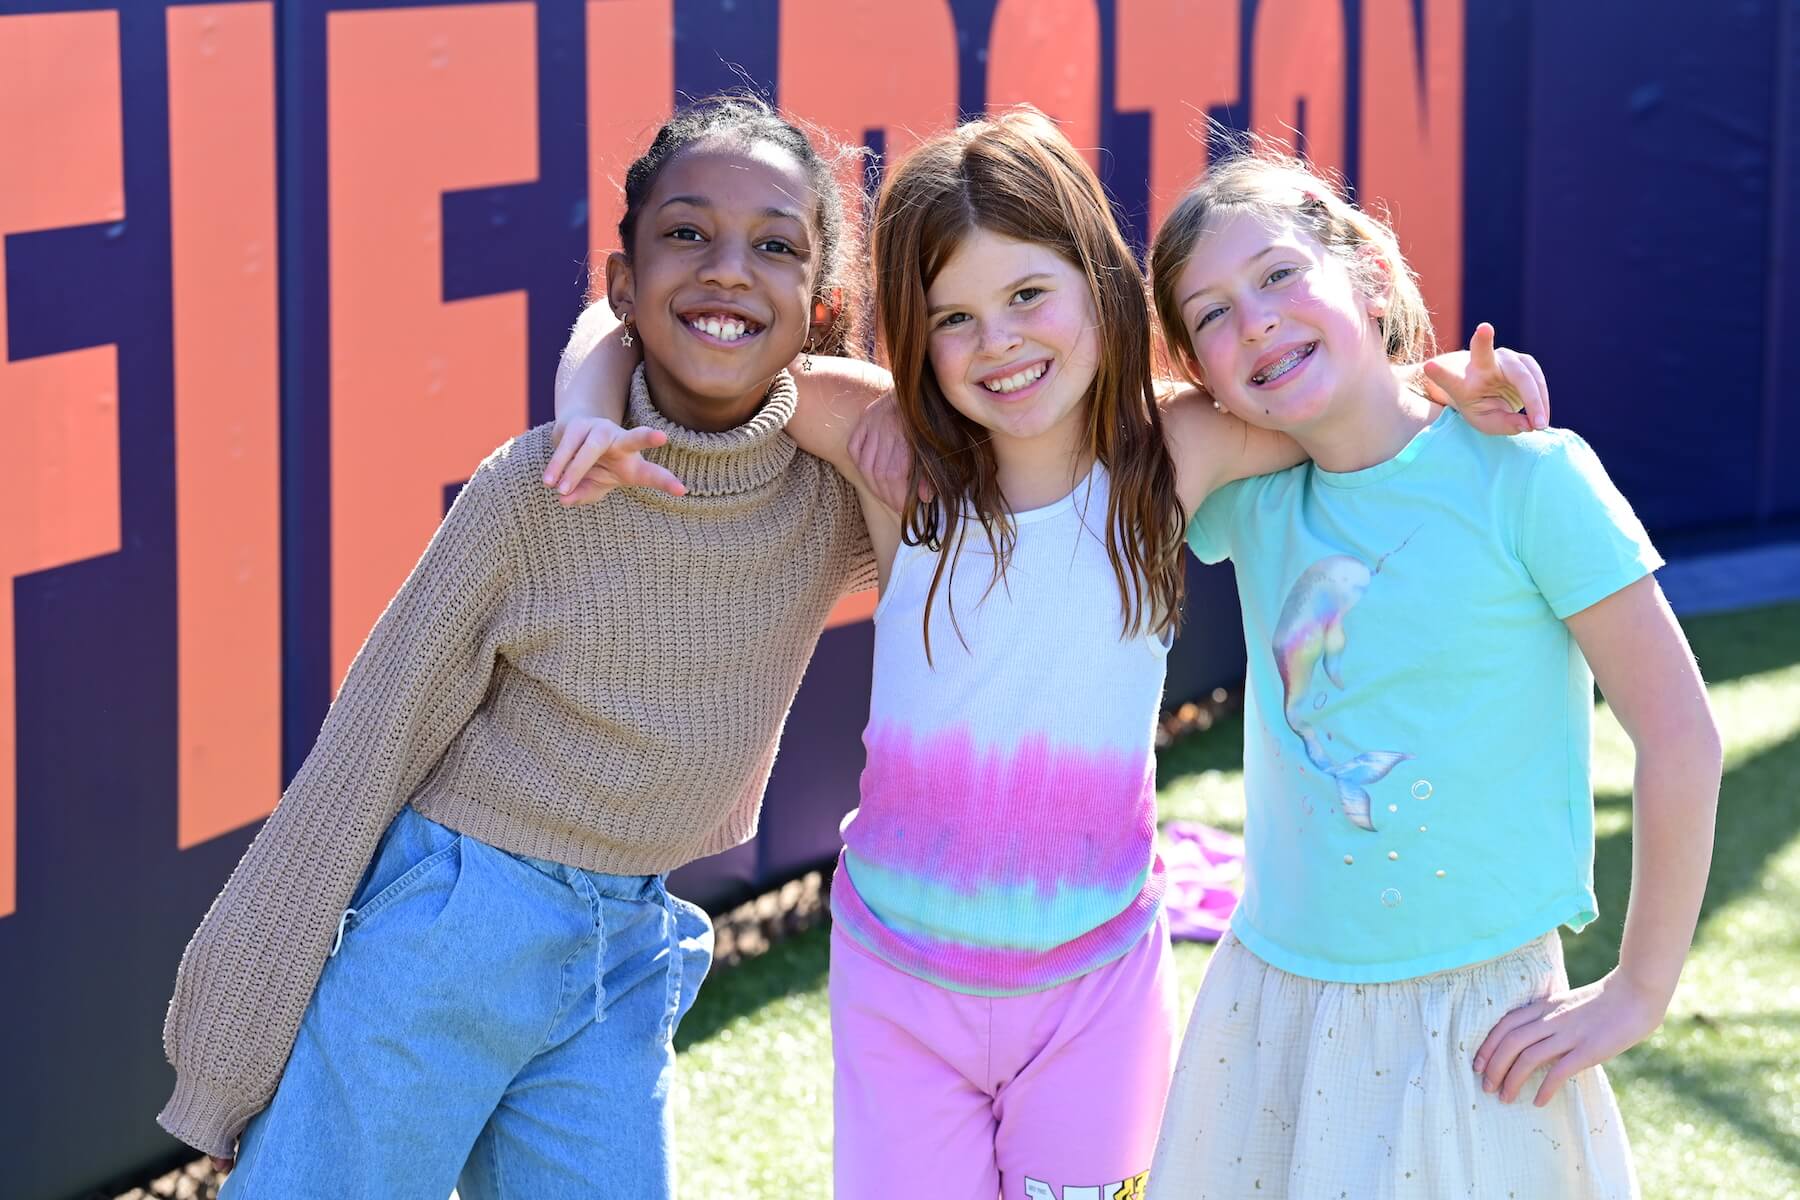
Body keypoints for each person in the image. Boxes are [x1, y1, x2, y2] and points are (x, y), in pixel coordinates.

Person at [550, 108, 1549, 1200]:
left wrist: (1446, 384)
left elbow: (1348, 406)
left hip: (1095, 998)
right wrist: (581, 412)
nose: (1001, 342)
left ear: (1100, 285)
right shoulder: (895, 450)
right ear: (914, 337)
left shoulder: (1174, 453)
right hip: (900, 989)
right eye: (956, 317)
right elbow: (645, 321)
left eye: (1028, 296)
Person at [157, 93, 879, 1199]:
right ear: (621, 284)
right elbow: (363, 754)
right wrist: (230, 1050)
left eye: (774, 246)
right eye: (686, 233)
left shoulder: (826, 503)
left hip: (625, 952)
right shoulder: (533, 494)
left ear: (821, 304)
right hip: (445, 934)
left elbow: (984, 485)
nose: (730, 270)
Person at [1141, 144, 1721, 1198]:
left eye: (1278, 274)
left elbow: (1683, 734)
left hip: (1482, 1024)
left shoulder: (1530, 476)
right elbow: (1121, 424)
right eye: (1211, 315)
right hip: (1274, 1006)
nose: (1256, 319)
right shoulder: (1247, 495)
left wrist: (1639, 990)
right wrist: (1401, 371)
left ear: (1365, 272)